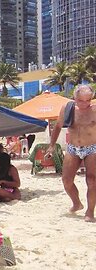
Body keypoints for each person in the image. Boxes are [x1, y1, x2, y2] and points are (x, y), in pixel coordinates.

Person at [46, 85, 96, 222]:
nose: (85, 104)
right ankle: (76, 203)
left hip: (92, 148)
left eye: (88, 100)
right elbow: (57, 126)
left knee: (92, 181)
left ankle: (90, 212)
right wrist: (51, 146)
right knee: (66, 180)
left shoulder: (94, 109)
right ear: (75, 98)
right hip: (73, 148)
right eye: (81, 100)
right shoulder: (68, 108)